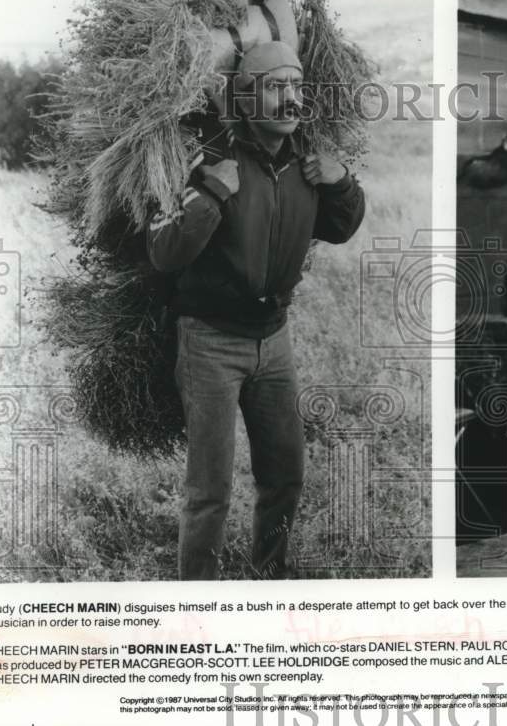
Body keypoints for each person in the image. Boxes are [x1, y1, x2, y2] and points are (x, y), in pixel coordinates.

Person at [147, 41, 366, 579]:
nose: (291, 99)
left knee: (286, 474)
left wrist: (341, 183)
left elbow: (340, 228)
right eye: (276, 87)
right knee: (210, 491)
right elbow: (163, 252)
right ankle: (198, 601)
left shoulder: (306, 157)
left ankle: (270, 574)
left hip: (276, 339)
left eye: (296, 86)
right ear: (245, 98)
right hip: (210, 343)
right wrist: (211, 197)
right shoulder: (207, 154)